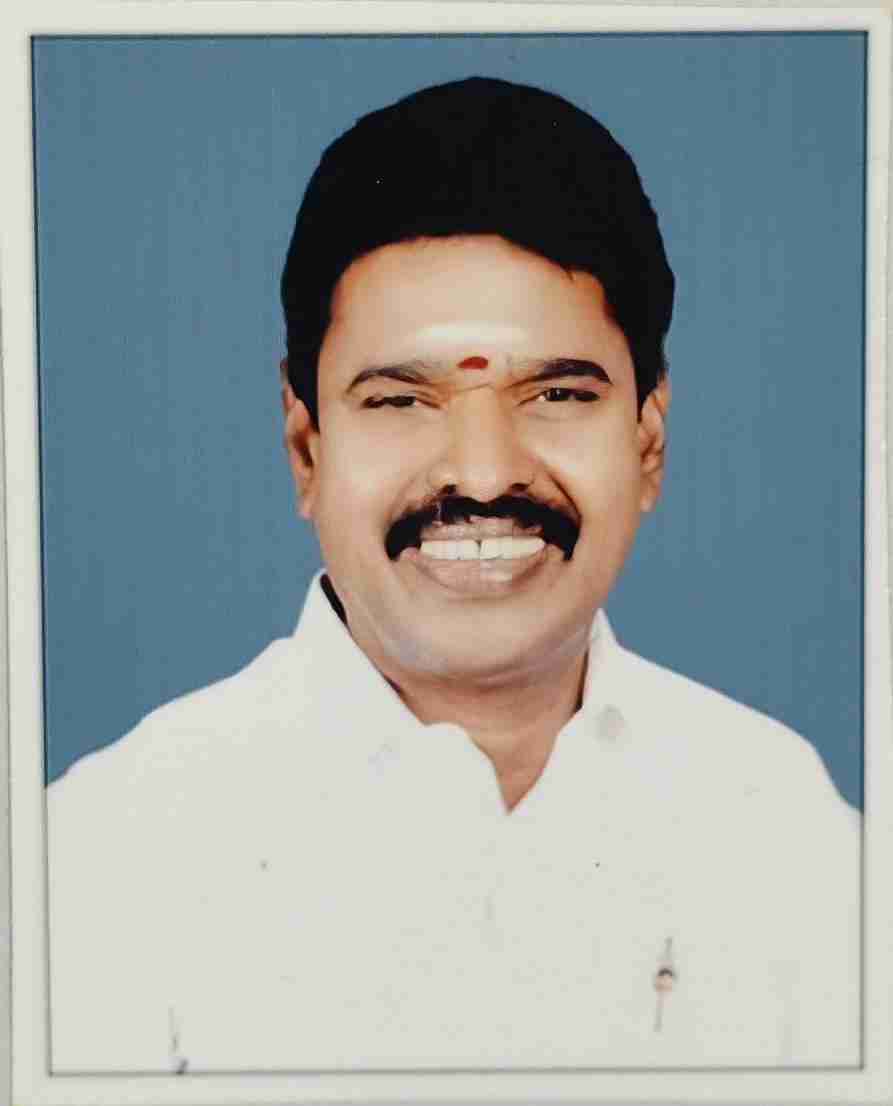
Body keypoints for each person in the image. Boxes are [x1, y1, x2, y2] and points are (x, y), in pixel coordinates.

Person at [48, 77, 859, 1074]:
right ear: (306, 448)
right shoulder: (102, 862)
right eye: (400, 400)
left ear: (647, 442)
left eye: (557, 394)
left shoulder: (787, 833)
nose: (480, 474)